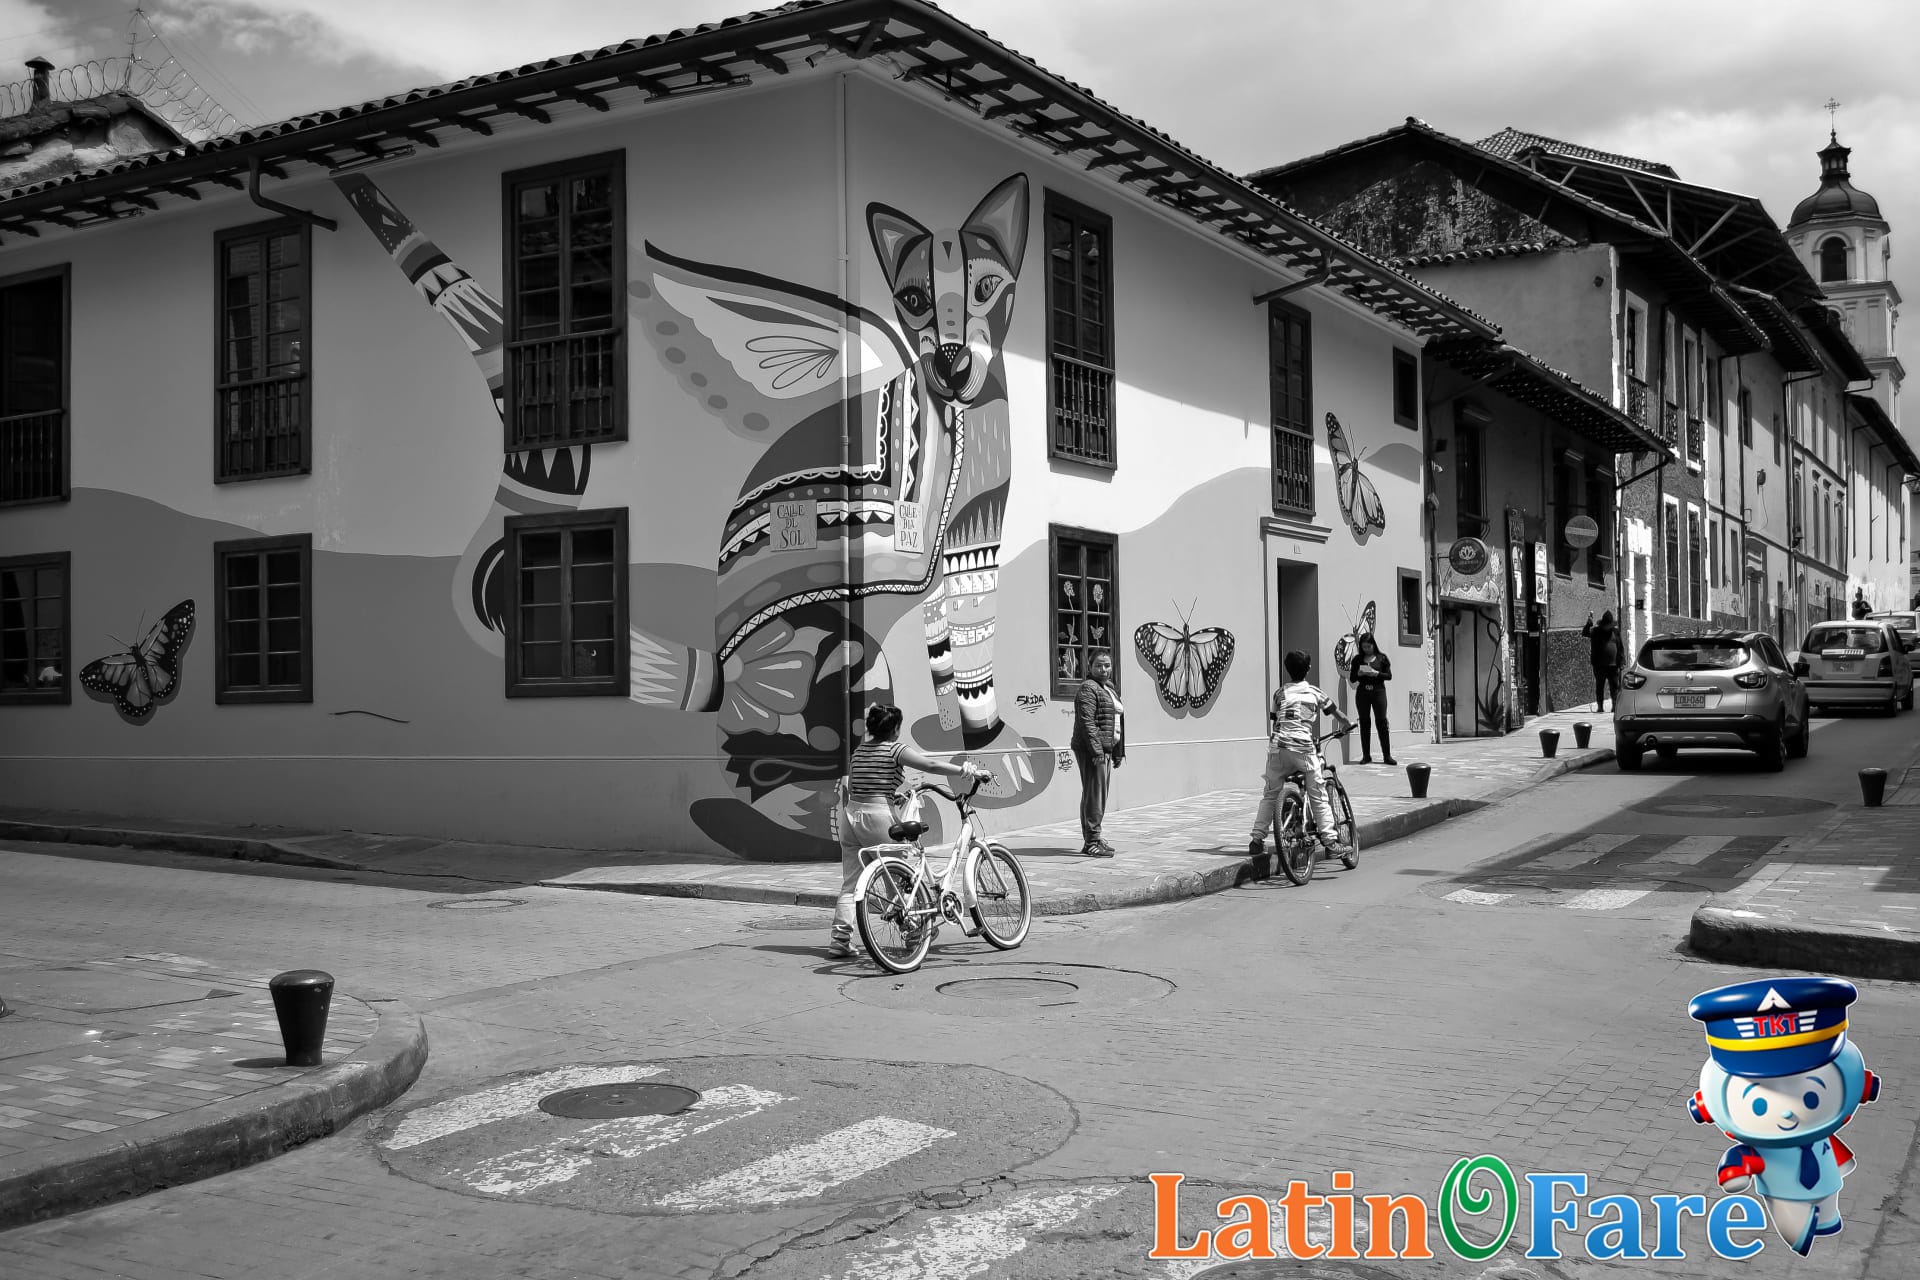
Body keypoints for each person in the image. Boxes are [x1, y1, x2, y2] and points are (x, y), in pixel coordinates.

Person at [828, 703, 988, 959]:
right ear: (894, 729)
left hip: (850, 817)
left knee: (850, 884)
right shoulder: (895, 749)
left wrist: (895, 796)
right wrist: (966, 770)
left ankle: (839, 940)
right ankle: (915, 935)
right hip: (877, 817)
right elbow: (931, 765)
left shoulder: (859, 751)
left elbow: (867, 785)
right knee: (901, 877)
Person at [1250, 649, 1353, 862]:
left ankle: (1257, 839)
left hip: (1277, 748)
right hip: (1303, 748)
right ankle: (1331, 841)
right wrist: (1347, 724)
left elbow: (1275, 718)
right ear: (1308, 669)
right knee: (1318, 792)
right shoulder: (1315, 692)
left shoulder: (1279, 693)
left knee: (1270, 794)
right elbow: (1338, 714)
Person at [1070, 651, 1123, 857]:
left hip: (1104, 749)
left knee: (1095, 794)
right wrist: (1097, 752)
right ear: (1089, 666)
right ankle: (1091, 842)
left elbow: (1116, 722)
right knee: (1095, 796)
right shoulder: (1087, 689)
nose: (1104, 669)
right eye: (1099, 665)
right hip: (1091, 750)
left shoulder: (1108, 688)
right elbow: (1087, 723)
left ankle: (1094, 837)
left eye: (1108, 665)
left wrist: (1117, 752)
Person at [1347, 632, 1395, 765]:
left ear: (1373, 644)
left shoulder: (1382, 658)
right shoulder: (1357, 659)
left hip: (1378, 692)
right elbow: (1352, 678)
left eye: (1368, 646)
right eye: (1363, 647)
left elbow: (1389, 676)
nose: (1366, 649)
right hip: (1363, 693)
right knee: (1364, 723)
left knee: (1381, 722)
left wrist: (1376, 673)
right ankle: (1366, 755)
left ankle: (1387, 755)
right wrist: (1358, 673)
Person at [1583, 610, 1621, 713]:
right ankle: (1600, 707)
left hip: (1613, 665)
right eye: (1606, 625)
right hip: (1599, 665)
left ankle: (1615, 706)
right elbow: (1585, 633)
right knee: (1600, 686)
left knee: (1615, 686)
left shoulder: (1615, 632)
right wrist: (1588, 623)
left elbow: (1620, 647)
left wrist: (1621, 662)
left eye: (1609, 625)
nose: (1608, 627)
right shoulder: (1596, 631)